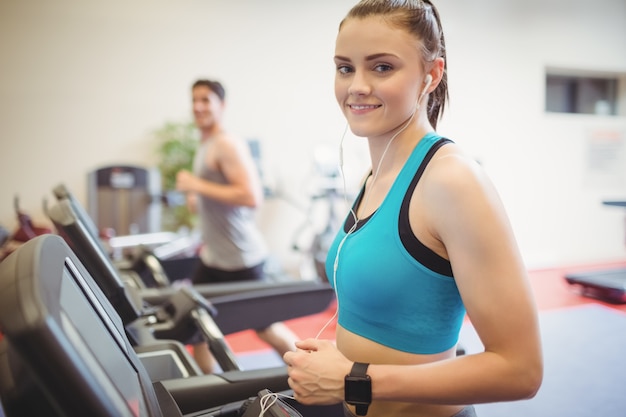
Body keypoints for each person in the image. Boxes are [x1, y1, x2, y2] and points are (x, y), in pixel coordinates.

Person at [283, 1, 543, 416]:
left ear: (431, 75)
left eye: (382, 67)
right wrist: (341, 361)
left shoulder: (452, 181)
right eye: (345, 67)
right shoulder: (377, 172)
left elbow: (521, 371)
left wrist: (353, 378)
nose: (357, 86)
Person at [176, 79, 299, 374]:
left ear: (222, 105)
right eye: (195, 100)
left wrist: (196, 185)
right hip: (213, 259)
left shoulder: (227, 144)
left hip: (240, 259)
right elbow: (219, 191)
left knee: (266, 329)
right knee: (197, 330)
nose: (198, 106)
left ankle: (313, 372)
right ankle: (204, 393)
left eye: (206, 100)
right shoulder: (205, 144)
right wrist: (198, 198)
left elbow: (250, 196)